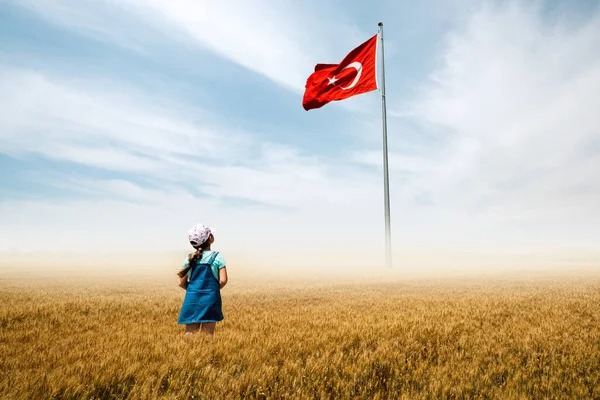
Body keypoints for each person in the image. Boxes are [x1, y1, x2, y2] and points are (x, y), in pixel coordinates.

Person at [177, 223, 228, 338]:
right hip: (210, 299)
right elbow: (223, 280)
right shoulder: (217, 257)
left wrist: (193, 288)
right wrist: (212, 289)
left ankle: (187, 354)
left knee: (189, 333)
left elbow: (180, 281)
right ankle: (207, 355)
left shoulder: (190, 258)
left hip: (192, 298)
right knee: (208, 334)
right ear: (210, 238)